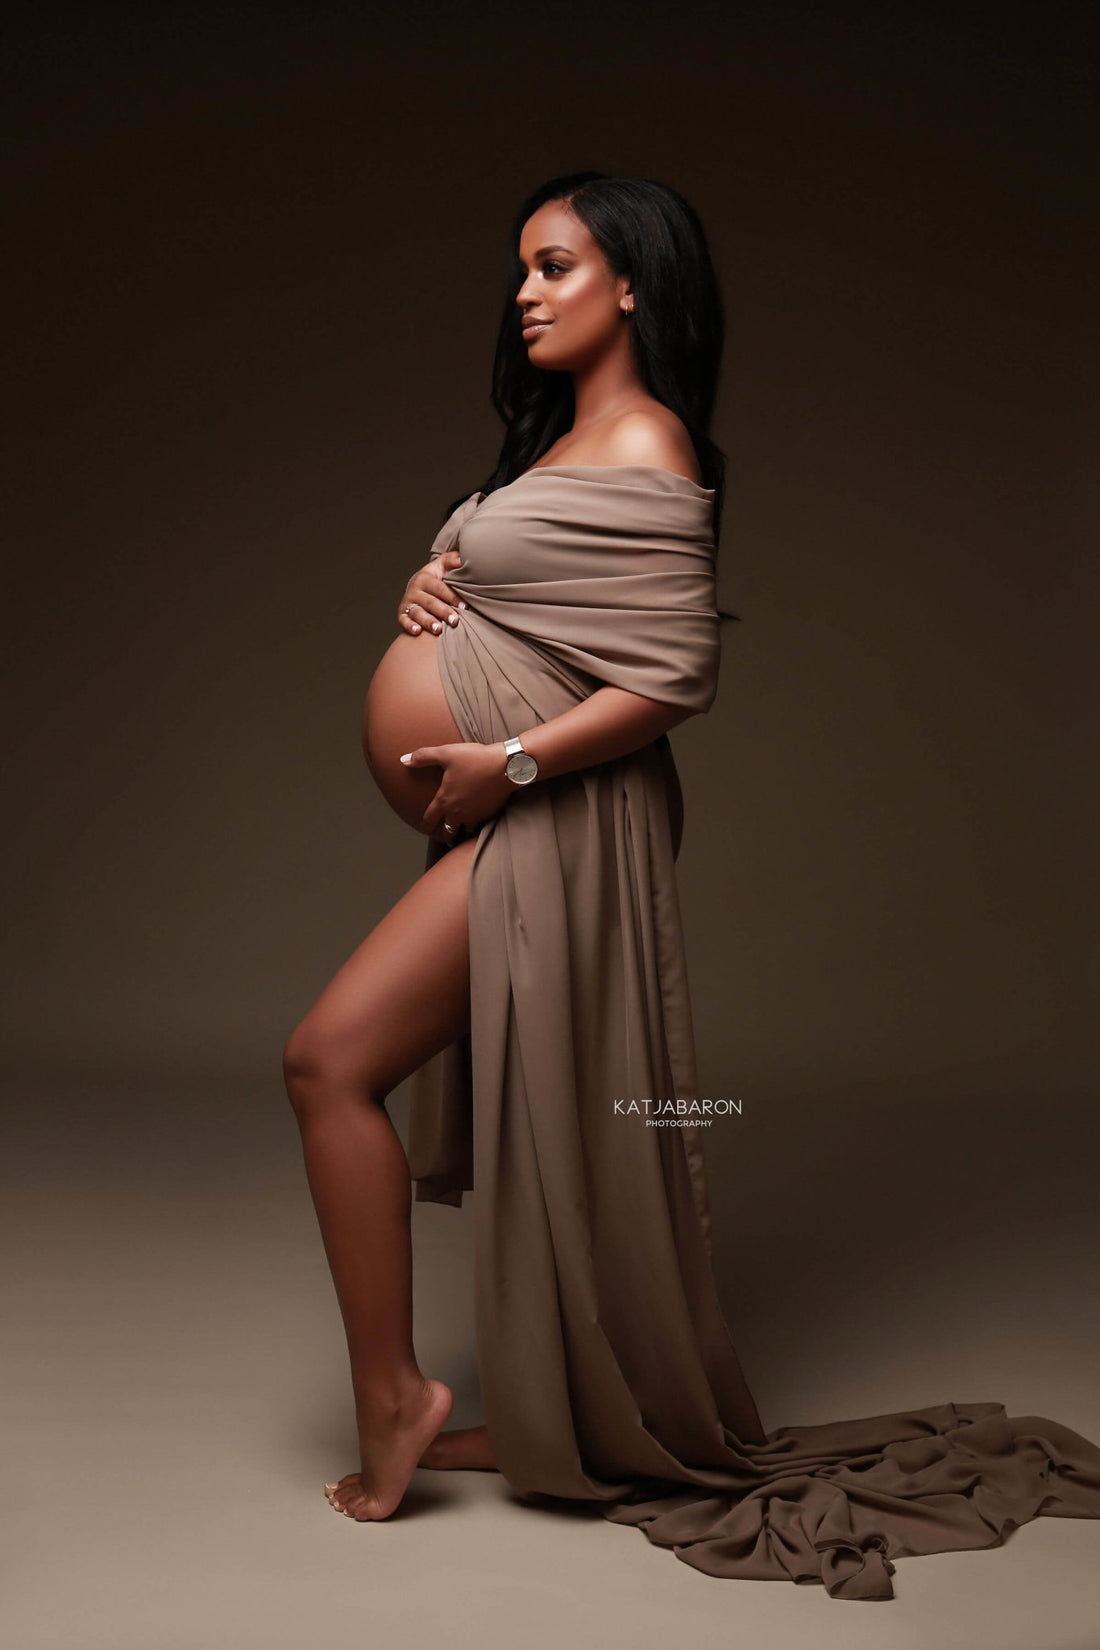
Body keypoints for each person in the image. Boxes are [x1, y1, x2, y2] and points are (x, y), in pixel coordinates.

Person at [282, 172, 1100, 1601]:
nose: (524, 292)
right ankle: (498, 1394)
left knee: (325, 1060)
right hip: (518, 817)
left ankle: (399, 1397)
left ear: (634, 283)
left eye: (552, 265)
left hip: (561, 820)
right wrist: (434, 570)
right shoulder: (568, 443)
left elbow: (672, 678)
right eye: (519, 272)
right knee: (338, 1067)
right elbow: (537, 583)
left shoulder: (651, 443)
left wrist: (511, 767)